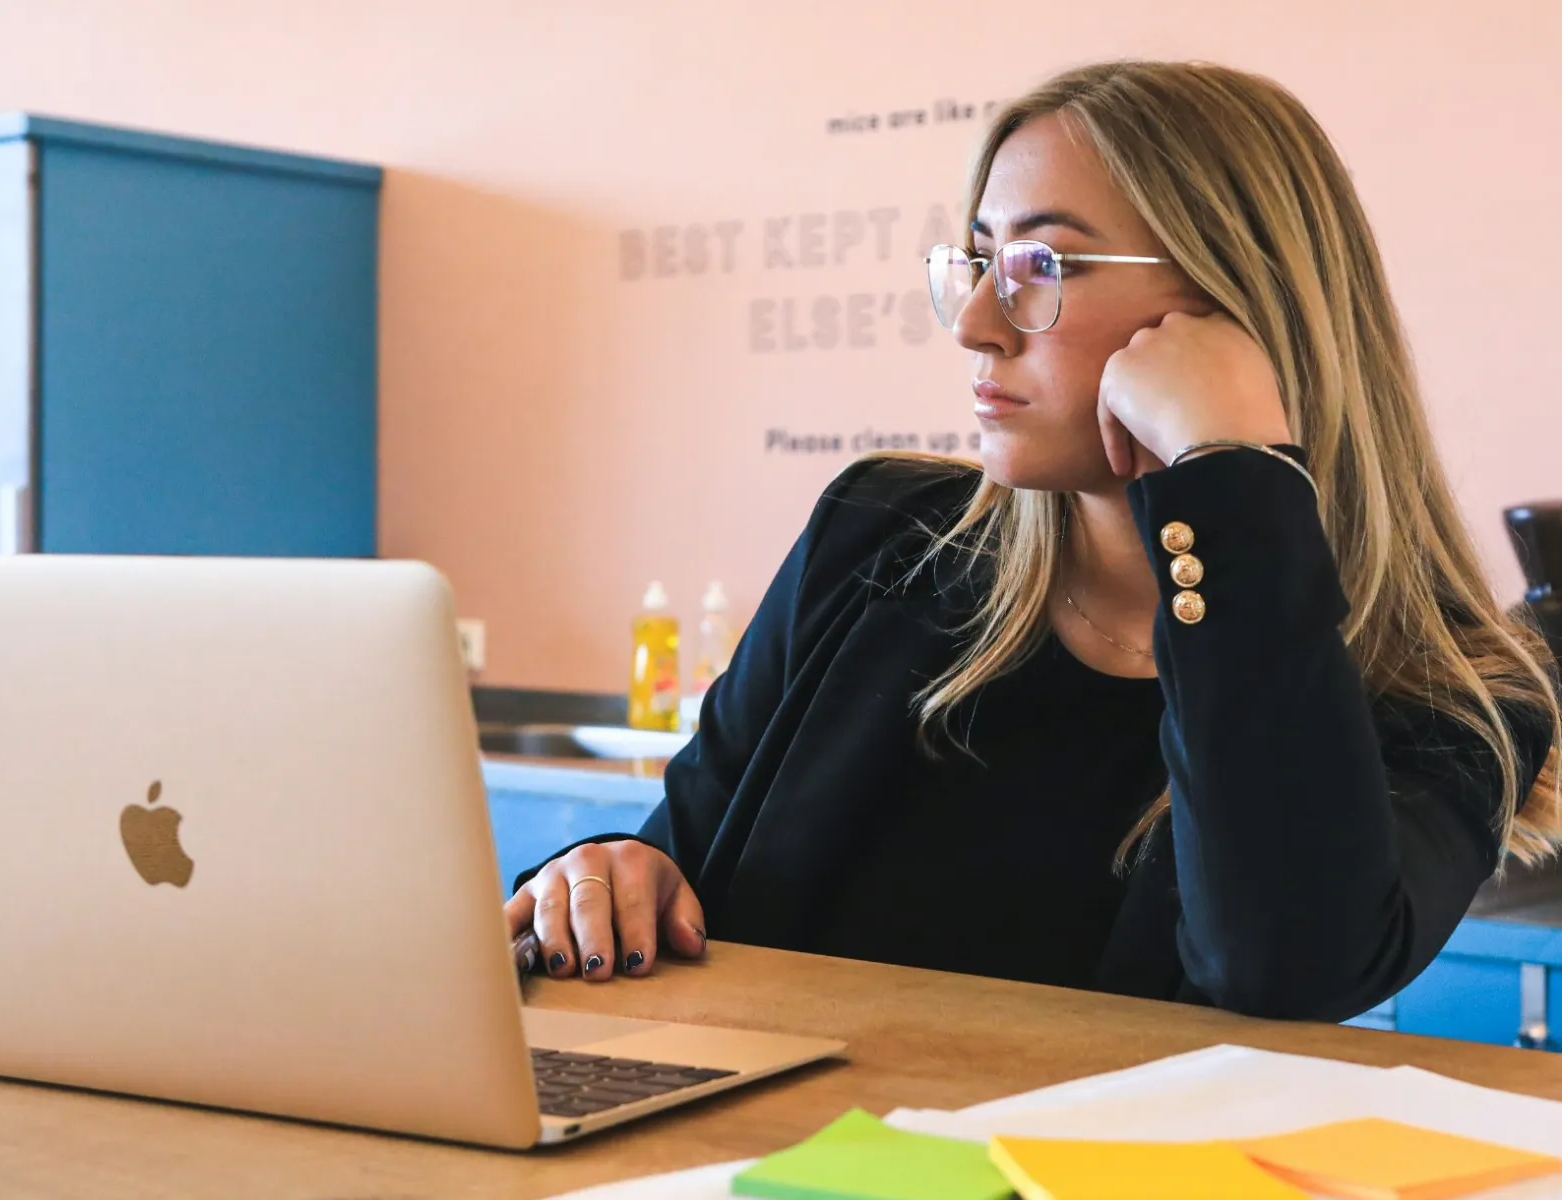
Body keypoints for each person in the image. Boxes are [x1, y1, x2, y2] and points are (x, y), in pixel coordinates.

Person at [504, 60, 1562, 1020]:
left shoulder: (1450, 690)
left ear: (1233, 305)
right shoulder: (875, 540)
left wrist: (1230, 475)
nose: (975, 321)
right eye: (975, 261)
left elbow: (1284, 968)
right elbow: (673, 863)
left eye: (1042, 266)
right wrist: (604, 877)